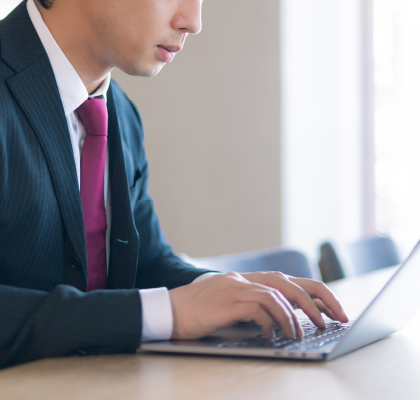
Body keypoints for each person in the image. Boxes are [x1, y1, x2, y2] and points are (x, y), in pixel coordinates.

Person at [0, 0, 349, 369]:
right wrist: (163, 313)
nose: (193, 22)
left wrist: (231, 292)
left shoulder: (119, 111)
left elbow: (146, 264)